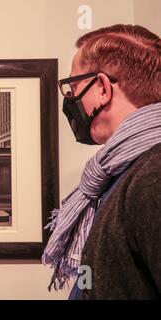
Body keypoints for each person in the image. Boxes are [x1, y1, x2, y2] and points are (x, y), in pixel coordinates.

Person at [43, 24, 161, 299]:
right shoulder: (127, 170)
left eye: (72, 88)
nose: (70, 100)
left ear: (102, 88)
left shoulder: (152, 176)